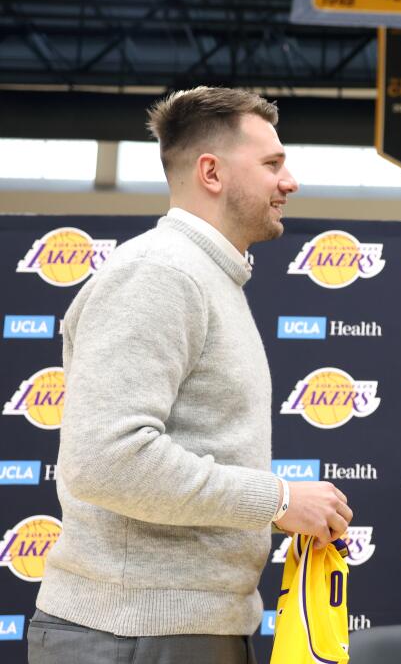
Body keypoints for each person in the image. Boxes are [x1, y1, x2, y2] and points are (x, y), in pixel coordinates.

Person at [29, 87, 353, 664]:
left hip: (177, 632)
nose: (290, 182)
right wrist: (278, 500)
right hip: (131, 636)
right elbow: (107, 459)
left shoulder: (207, 277)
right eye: (272, 164)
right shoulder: (159, 274)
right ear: (211, 172)